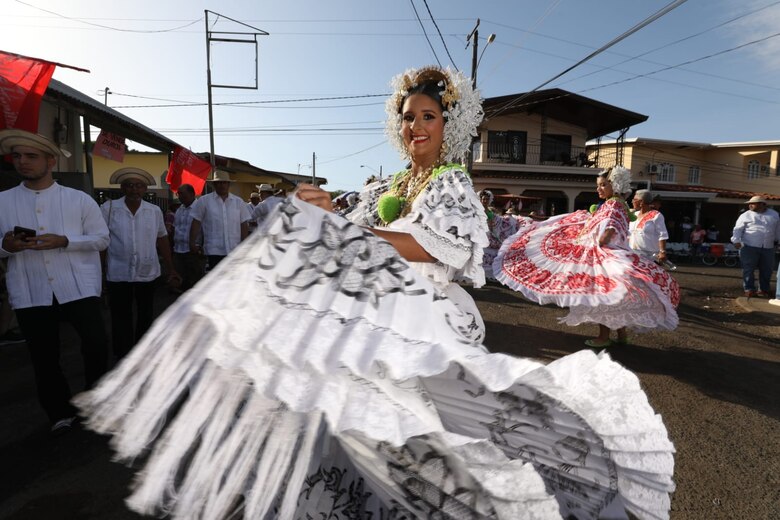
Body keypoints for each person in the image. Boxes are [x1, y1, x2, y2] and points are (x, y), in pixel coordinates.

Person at [75, 67, 675, 519]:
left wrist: (355, 234)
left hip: (429, 315)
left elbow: (435, 247)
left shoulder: (453, 184)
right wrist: (318, 216)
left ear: (451, 125)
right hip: (378, 311)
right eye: (408, 117)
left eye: (428, 117)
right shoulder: (391, 183)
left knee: (420, 436)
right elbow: (352, 229)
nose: (415, 127)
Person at [494, 166, 680, 348]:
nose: (598, 188)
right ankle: (621, 335)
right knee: (616, 296)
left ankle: (604, 336)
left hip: (606, 253)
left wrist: (599, 242)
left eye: (603, 185)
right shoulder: (621, 204)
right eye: (598, 185)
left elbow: (610, 227)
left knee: (601, 295)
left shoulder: (613, 203)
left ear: (614, 185)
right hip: (619, 253)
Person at [0, 129, 110, 434]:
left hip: (78, 286)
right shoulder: (3, 201)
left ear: (51, 161)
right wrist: (7, 246)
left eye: (31, 156)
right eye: (17, 156)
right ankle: (59, 411)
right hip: (31, 289)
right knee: (44, 356)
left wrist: (65, 240)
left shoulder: (79, 200)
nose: (22, 162)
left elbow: (101, 239)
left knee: (96, 345)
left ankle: (96, 401)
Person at [101, 168, 180, 359]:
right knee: (121, 317)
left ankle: (143, 354)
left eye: (138, 186)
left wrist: (171, 269)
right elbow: (102, 241)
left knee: (145, 314)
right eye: (129, 186)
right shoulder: (108, 208)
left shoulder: (153, 211)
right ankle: (122, 356)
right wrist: (100, 272)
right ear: (122, 188)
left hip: (147, 272)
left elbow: (162, 239)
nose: (134, 190)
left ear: (145, 189)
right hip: (118, 272)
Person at [188, 170, 252, 270]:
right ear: (214, 184)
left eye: (224, 182)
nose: (222, 185)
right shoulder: (204, 201)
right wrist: (192, 243)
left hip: (234, 249)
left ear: (228, 184)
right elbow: (196, 222)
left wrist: (244, 245)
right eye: (218, 182)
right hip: (213, 251)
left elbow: (244, 224)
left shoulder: (238, 202)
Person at [731, 195, 780, 297]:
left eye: (753, 203)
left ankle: (763, 290)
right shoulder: (745, 215)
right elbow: (738, 229)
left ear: (762, 204)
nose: (750, 205)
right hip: (749, 246)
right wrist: (735, 241)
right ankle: (749, 289)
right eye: (750, 203)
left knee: (767, 269)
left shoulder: (774, 215)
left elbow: (777, 230)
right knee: (748, 269)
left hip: (768, 247)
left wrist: (778, 241)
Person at [171, 184, 204, 292]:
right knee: (180, 280)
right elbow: (176, 228)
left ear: (191, 194)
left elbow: (205, 229)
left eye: (182, 194)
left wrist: (199, 246)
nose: (179, 196)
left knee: (194, 282)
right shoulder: (180, 209)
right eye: (178, 194)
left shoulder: (200, 208)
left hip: (192, 251)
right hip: (178, 250)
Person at [630, 189, 670, 264]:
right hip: (633, 255)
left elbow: (662, 235)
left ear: (641, 202)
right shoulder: (633, 215)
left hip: (650, 258)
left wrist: (662, 252)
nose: (632, 201)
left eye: (635, 199)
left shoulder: (656, 215)